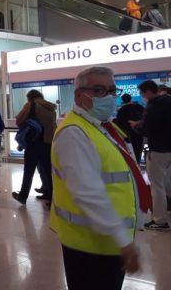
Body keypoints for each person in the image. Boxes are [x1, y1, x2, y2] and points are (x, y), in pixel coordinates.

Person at [51, 67, 151, 290]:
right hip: (91, 246)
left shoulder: (100, 126)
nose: (108, 97)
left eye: (111, 90)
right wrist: (122, 239)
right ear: (79, 95)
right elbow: (87, 192)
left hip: (107, 242)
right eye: (98, 90)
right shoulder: (74, 132)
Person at [130, 80, 171, 230]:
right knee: (167, 182)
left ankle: (160, 220)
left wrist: (136, 126)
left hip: (158, 149)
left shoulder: (153, 105)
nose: (141, 96)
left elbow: (147, 129)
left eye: (141, 93)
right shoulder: (168, 101)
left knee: (157, 185)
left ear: (147, 92)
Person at [12, 89, 56, 205]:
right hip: (48, 143)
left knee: (29, 171)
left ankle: (23, 196)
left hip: (34, 142)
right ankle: (51, 197)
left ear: (29, 97)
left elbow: (19, 120)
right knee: (48, 171)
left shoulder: (31, 105)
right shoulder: (51, 108)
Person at [113, 94, 144, 164]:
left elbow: (119, 124)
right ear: (130, 99)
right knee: (138, 151)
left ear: (122, 100)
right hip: (139, 134)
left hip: (127, 135)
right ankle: (138, 165)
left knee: (129, 153)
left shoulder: (122, 110)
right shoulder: (139, 107)